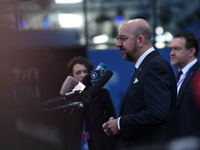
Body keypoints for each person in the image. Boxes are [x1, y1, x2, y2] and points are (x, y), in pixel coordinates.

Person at [102, 18, 177, 150]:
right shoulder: (145, 66)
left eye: (123, 38)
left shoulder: (154, 66)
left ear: (140, 40)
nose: (118, 44)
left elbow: (158, 113)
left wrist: (119, 124)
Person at [64, 56, 116, 150]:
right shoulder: (67, 99)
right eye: (78, 72)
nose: (83, 75)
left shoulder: (103, 95)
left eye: (85, 71)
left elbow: (112, 122)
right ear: (71, 76)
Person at [169, 31, 200, 138]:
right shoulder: (178, 76)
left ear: (191, 51)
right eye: (171, 49)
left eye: (176, 49)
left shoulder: (198, 75)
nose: (171, 53)